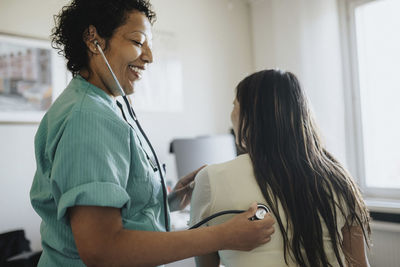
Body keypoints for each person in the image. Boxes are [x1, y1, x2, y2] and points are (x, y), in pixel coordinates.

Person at [29, 1, 275, 266]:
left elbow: (119, 213)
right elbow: (102, 249)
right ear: (93, 39)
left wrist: (167, 201)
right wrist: (223, 236)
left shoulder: (102, 106)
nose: (149, 56)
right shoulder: (88, 118)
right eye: (137, 41)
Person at [190, 69, 371, 267]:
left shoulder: (211, 179)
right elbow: (359, 264)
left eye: (235, 105)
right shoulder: (339, 179)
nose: (231, 115)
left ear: (250, 116)